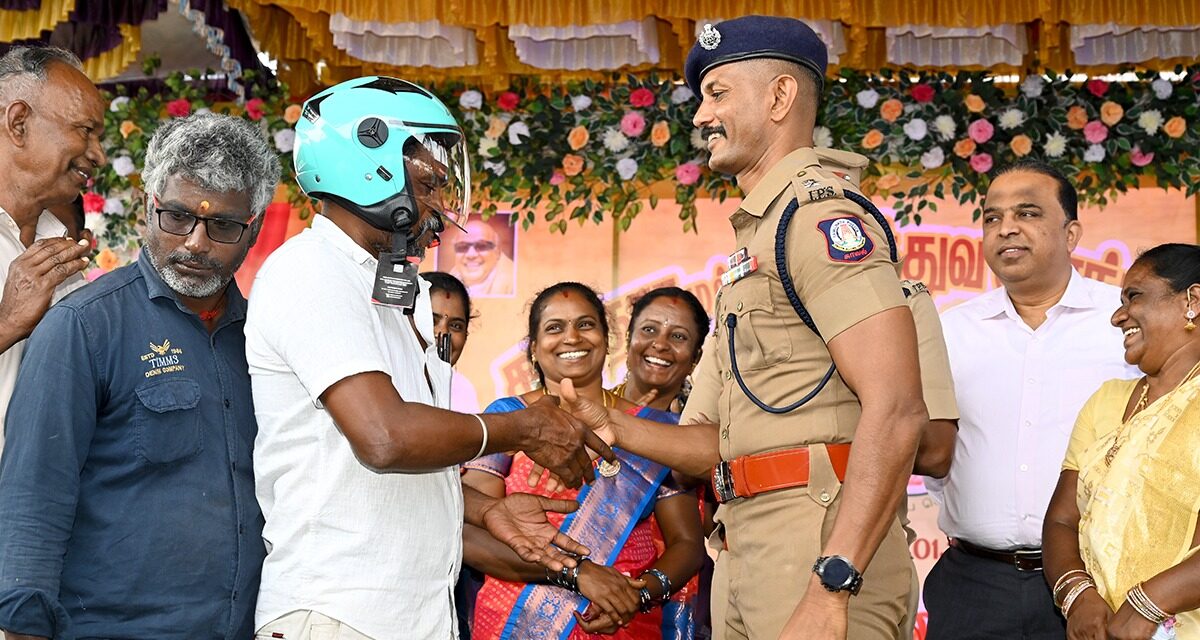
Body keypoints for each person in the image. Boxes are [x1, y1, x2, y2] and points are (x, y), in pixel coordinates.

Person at [545, 16, 961, 640]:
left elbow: (899, 410)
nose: (699, 117)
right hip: (746, 548)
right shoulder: (754, 245)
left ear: (779, 97)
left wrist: (834, 583)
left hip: (818, 545)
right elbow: (719, 443)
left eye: (718, 94)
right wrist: (615, 426)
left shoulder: (818, 219)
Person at [246, 76, 612, 640]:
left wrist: (482, 509)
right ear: (369, 165)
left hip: (408, 615)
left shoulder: (396, 291)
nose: (439, 204)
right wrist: (524, 428)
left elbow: (397, 463)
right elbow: (386, 437)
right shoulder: (310, 270)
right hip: (338, 612)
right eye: (428, 182)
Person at [0, 113, 277, 639]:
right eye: (176, 217)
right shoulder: (83, 326)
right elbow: (33, 501)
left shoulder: (265, 340)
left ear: (254, 228)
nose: (195, 243)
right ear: (149, 207)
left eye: (222, 225)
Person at [923, 161, 1139, 640]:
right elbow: (936, 453)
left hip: (1099, 582)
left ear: (1072, 233)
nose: (1007, 229)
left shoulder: (1123, 322)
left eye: (1027, 213)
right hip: (974, 582)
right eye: (992, 218)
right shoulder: (952, 332)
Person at [462, 282, 704, 639]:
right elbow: (470, 535)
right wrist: (578, 573)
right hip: (514, 620)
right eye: (555, 327)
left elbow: (686, 544)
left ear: (607, 341)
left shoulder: (649, 429)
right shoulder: (508, 419)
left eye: (586, 325)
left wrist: (636, 594)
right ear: (533, 348)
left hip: (622, 620)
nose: (571, 337)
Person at [1044, 244, 1200, 640]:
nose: (1118, 316)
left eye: (1135, 296)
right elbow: (1062, 519)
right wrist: (1077, 595)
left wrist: (1150, 602)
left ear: (1192, 300)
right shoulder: (1106, 401)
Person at [0, 45, 100, 445]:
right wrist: (7, 323)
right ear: (19, 122)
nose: (99, 155)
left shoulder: (60, 246)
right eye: (85, 130)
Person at [616, 286, 709, 415]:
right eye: (649, 330)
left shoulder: (703, 428)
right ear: (628, 340)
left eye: (678, 336)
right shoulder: (591, 411)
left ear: (696, 358)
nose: (660, 344)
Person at [422, 270, 482, 413]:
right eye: (431, 321)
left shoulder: (463, 390)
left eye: (456, 326)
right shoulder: (383, 383)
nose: (442, 333)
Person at [448, 217, 515, 297]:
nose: (471, 255)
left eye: (481, 246)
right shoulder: (451, 278)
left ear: (497, 252)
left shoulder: (513, 281)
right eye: (462, 247)